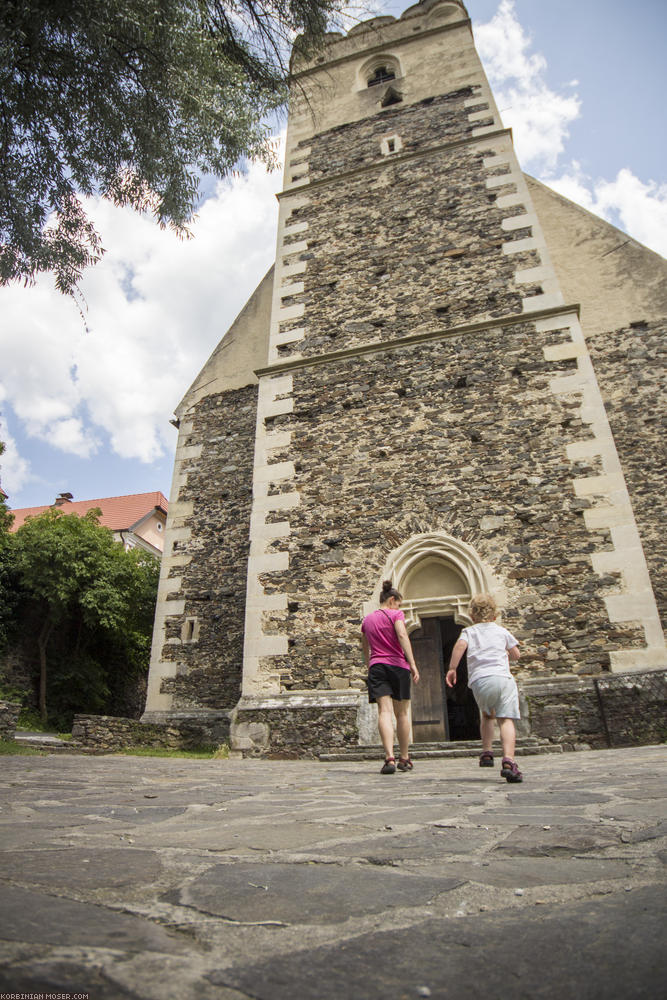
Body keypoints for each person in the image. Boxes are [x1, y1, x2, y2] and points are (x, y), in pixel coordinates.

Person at [445, 593, 523, 783]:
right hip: (502, 678)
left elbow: (459, 647)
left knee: (487, 715)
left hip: (480, 681)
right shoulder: (501, 631)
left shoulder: (469, 632)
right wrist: (508, 654)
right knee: (505, 720)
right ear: (494, 615)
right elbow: (516, 654)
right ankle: (508, 760)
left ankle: (487, 752)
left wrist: (452, 668)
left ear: (472, 616)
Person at [361, 580, 420, 774]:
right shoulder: (396, 614)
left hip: (376, 666)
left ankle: (389, 758)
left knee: (384, 712)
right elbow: (402, 635)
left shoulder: (367, 620)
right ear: (392, 600)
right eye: (399, 603)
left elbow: (365, 647)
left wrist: (369, 664)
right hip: (397, 665)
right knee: (401, 713)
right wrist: (412, 663)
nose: (399, 607)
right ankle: (404, 757)